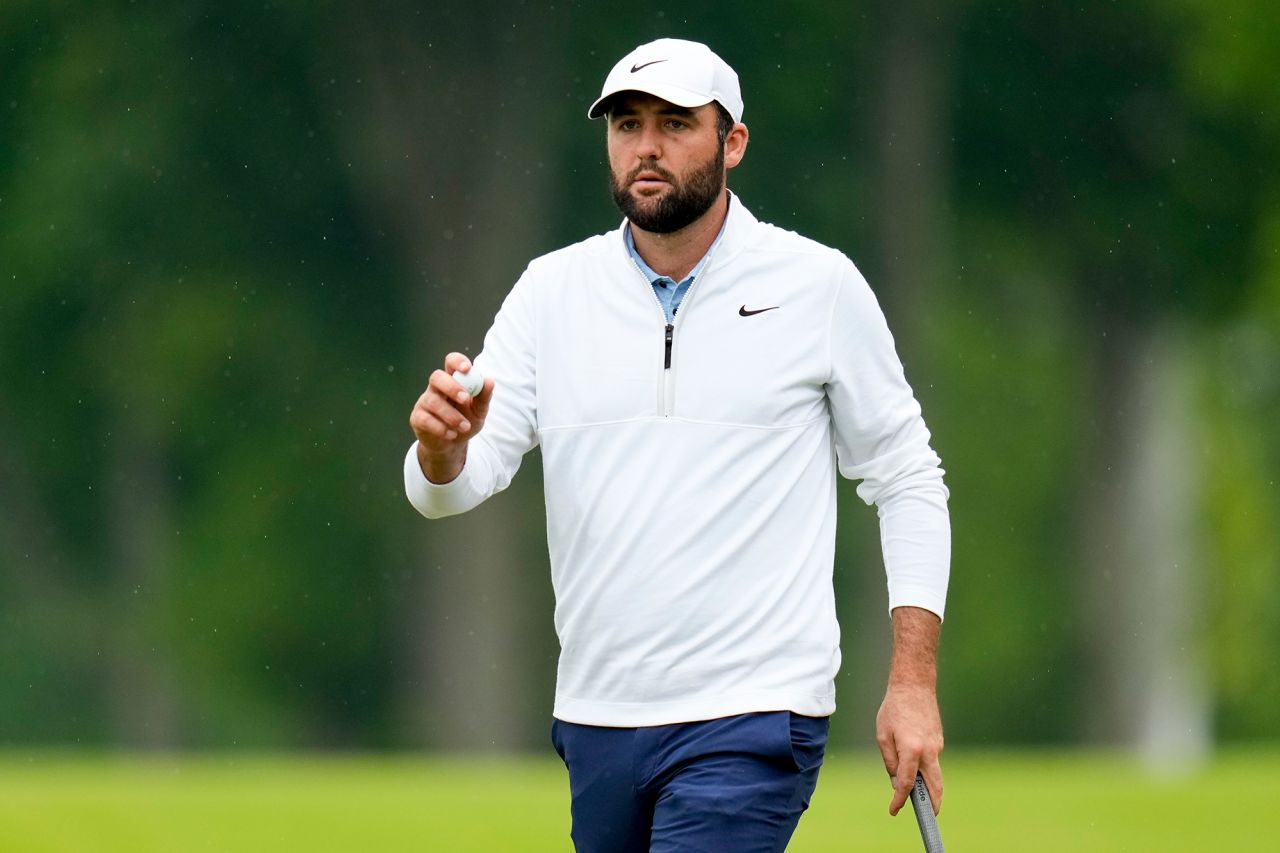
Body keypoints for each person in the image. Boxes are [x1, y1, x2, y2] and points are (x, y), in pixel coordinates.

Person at [405, 37, 950, 852]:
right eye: (627, 124)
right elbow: (448, 487)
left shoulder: (816, 286)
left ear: (732, 142)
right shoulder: (552, 292)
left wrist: (912, 682)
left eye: (674, 123)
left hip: (754, 711)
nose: (646, 146)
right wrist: (442, 448)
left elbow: (907, 476)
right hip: (598, 715)